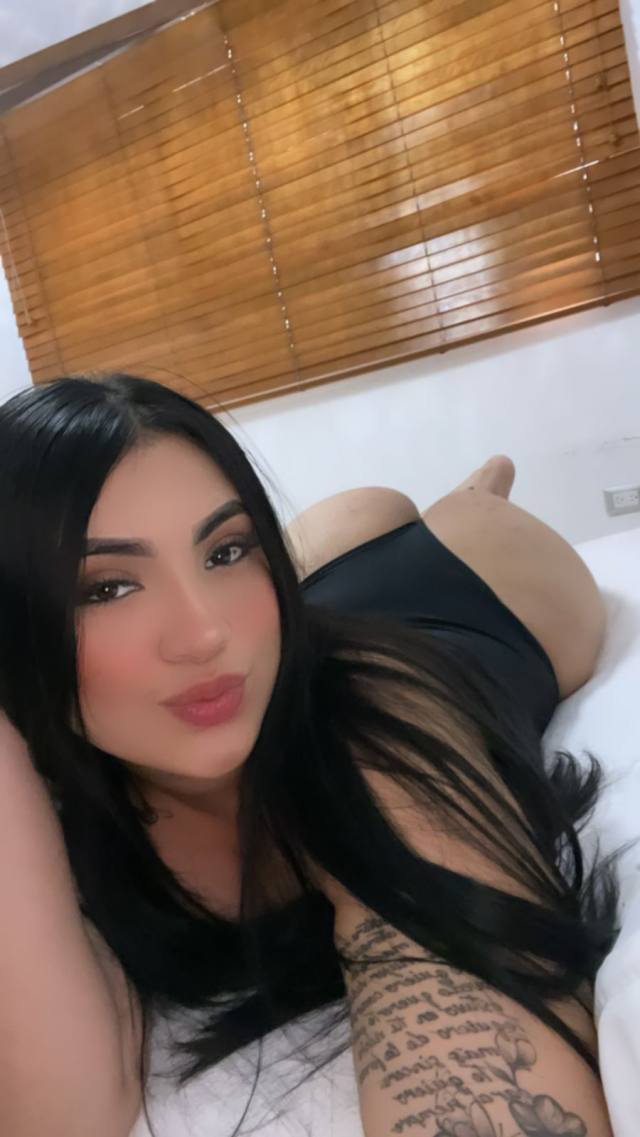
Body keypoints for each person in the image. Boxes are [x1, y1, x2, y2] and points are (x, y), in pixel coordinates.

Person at [0, 372, 619, 1137]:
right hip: (311, 595)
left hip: (467, 588)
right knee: (322, 559)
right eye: (107, 588)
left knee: (467, 511)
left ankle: (477, 488)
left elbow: (466, 981)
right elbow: (63, 1114)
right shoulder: (52, 800)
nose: (203, 633)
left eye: (228, 548)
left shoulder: (373, 729)